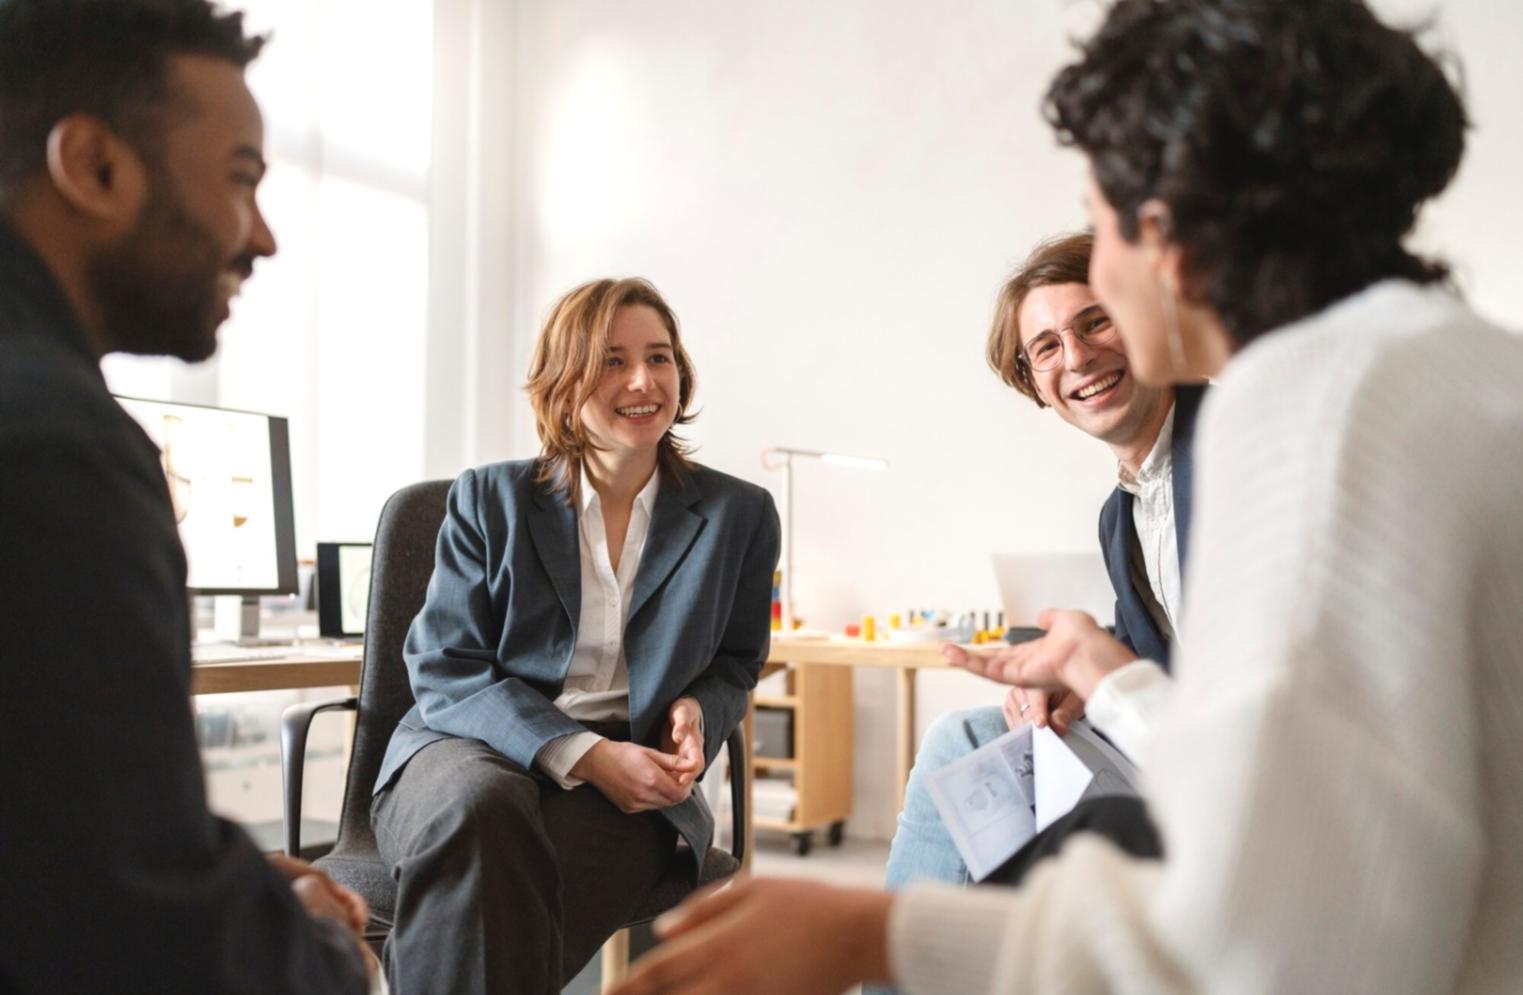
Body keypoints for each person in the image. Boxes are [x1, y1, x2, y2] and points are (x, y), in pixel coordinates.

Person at [609, 1, 1523, 992]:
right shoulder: (1443, 367)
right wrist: (1102, 667)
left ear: (1167, 227)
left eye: (1098, 226)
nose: (1088, 328)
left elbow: (1274, 953)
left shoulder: (1309, 408)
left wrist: (879, 932)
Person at [0, 1, 372, 991]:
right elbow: (136, 938)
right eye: (240, 180)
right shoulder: (61, 451)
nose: (264, 236)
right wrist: (333, 955)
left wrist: (211, 870)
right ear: (94, 165)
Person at [370, 277, 781, 994]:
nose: (643, 380)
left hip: (633, 780)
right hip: (468, 750)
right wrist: (584, 755)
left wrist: (696, 710)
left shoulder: (738, 515)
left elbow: (736, 663)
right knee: (482, 813)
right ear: (564, 383)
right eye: (612, 361)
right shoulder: (489, 497)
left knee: (496, 897)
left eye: (659, 357)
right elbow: (444, 666)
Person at [883, 231, 1202, 898]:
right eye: (1047, 347)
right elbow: (1152, 648)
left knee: (966, 747)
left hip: (1244, 773)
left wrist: (1098, 667)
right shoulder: (1121, 515)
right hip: (1178, 748)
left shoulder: (1228, 439)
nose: (1078, 356)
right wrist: (1075, 681)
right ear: (1034, 382)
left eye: (1095, 321)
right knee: (967, 737)